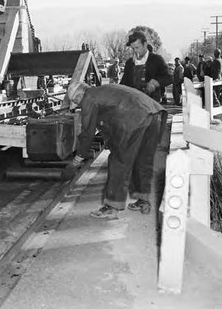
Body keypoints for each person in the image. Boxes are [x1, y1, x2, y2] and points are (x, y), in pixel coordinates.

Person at [62, 81, 167, 219]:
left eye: (76, 100)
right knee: (142, 158)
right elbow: (110, 121)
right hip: (153, 114)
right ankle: (143, 200)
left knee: (118, 161)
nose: (78, 104)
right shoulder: (105, 90)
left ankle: (112, 206)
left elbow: (88, 132)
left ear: (81, 93)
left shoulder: (89, 97)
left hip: (134, 119)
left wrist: (77, 159)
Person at [120, 31, 172, 102]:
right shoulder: (130, 63)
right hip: (133, 104)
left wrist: (156, 82)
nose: (135, 51)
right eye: (133, 48)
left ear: (145, 44)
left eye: (137, 47)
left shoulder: (156, 59)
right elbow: (124, 83)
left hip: (152, 103)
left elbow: (169, 77)